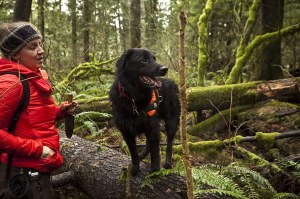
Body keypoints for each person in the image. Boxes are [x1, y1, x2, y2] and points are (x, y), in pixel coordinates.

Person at [0, 21, 77, 198]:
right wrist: (39, 150)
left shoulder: (29, 78)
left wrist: (60, 112)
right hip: (20, 174)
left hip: (34, 170)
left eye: (40, 44)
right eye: (32, 46)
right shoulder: (12, 83)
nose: (41, 50)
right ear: (16, 53)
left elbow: (28, 121)